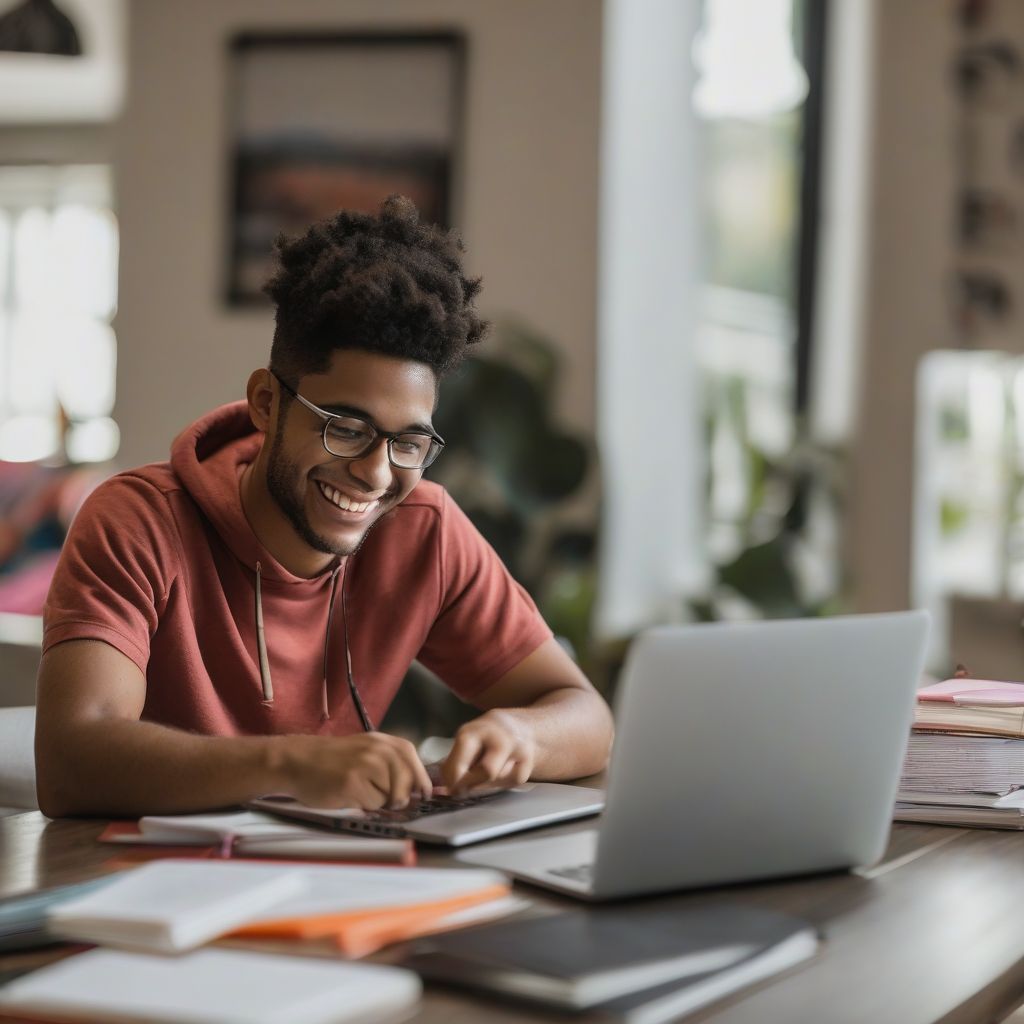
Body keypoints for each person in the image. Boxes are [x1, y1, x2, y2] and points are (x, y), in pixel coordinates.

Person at [34, 195, 613, 818]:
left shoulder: (425, 530)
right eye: (346, 427)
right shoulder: (138, 522)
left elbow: (585, 715)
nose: (375, 472)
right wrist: (290, 763)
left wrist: (522, 737)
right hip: (147, 892)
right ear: (265, 402)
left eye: (409, 442)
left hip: (337, 886)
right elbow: (72, 760)